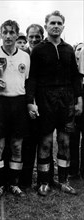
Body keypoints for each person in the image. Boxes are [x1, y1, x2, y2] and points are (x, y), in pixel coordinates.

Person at [26, 10, 83, 196]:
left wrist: (79, 99)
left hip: (66, 98)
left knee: (64, 141)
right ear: (46, 26)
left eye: (59, 23)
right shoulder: (39, 49)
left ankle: (64, 180)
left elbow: (75, 76)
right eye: (53, 23)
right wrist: (30, 102)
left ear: (63, 26)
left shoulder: (68, 49)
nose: (56, 26)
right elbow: (32, 77)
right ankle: (43, 182)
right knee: (46, 141)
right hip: (45, 98)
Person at [0, 20, 30, 199]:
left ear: (17, 35)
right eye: (5, 33)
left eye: (12, 32)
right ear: (1, 35)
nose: (8, 36)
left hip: (18, 103)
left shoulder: (25, 56)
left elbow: (27, 80)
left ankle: (14, 184)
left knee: (17, 145)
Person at [20, 23, 55, 190]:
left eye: (37, 36)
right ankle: (25, 180)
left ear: (42, 37)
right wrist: (29, 101)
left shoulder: (47, 52)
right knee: (28, 142)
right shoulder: (22, 55)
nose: (34, 39)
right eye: (31, 36)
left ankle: (47, 178)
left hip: (46, 101)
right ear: (27, 38)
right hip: (26, 102)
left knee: (45, 140)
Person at [69, 45, 84, 179]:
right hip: (73, 103)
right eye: (78, 49)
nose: (81, 51)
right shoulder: (72, 70)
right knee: (73, 137)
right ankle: (72, 170)